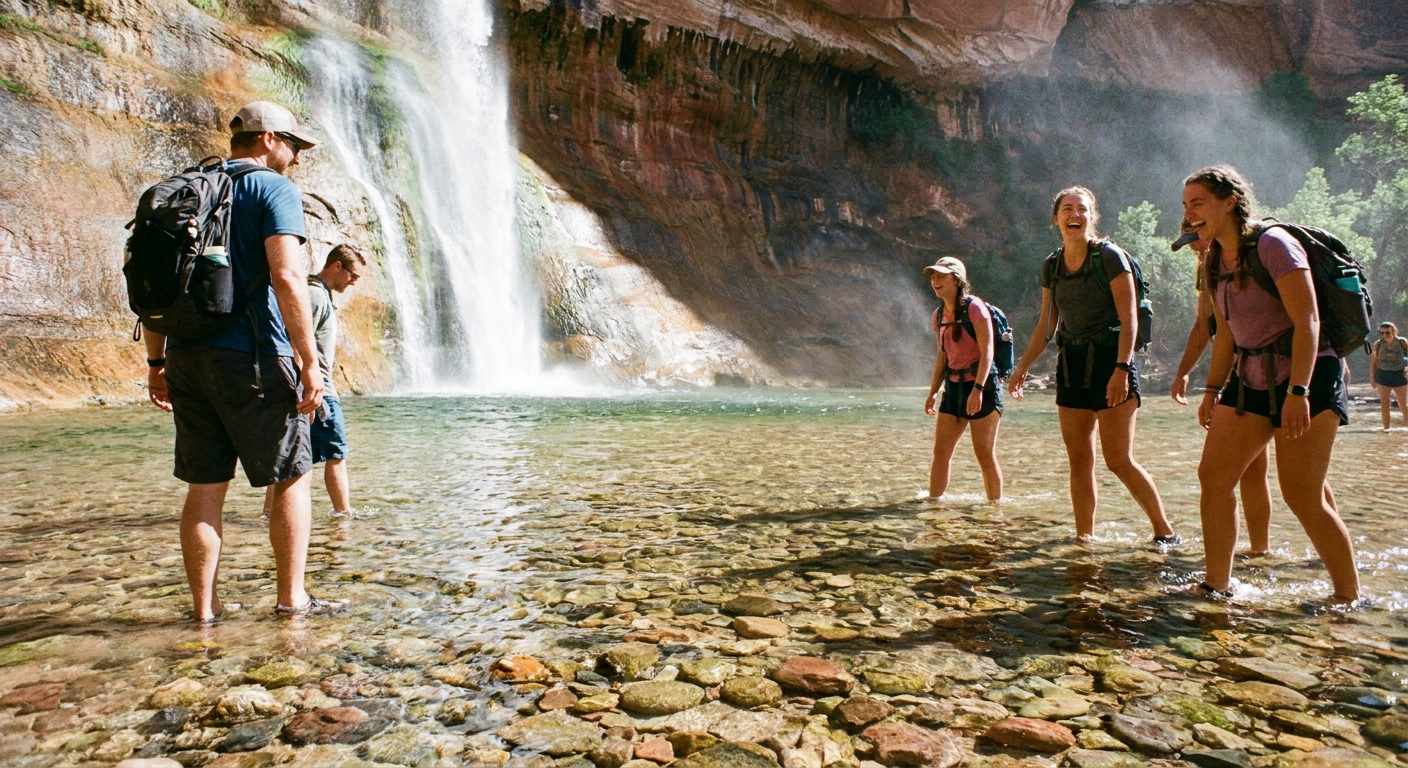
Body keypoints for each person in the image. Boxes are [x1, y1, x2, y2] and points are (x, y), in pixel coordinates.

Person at [144, 101, 345, 621]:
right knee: (291, 474)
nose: (297, 159)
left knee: (205, 486)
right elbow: (287, 277)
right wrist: (308, 361)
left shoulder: (186, 187)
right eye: (294, 146)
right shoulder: (272, 189)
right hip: (254, 356)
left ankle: (205, 611)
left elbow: (154, 280)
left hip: (186, 356)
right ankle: (291, 598)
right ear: (268, 139)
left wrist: (156, 362)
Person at [1185, 164, 1358, 602]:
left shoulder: (1274, 244)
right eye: (1186, 206)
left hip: (1308, 376)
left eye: (1198, 203)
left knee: (1302, 495)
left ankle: (1348, 597)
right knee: (1214, 479)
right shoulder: (1212, 261)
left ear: (1230, 202)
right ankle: (1217, 585)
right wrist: (1210, 390)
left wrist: (1298, 392)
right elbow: (1225, 333)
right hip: (1251, 382)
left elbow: (1308, 320)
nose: (1190, 214)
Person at [1009, 186, 1178, 543]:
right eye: (1067, 209)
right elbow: (1046, 325)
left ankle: (1165, 532)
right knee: (1079, 462)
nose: (1075, 215)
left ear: (1092, 216)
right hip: (1071, 365)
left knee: (1118, 460)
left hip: (1111, 363)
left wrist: (1121, 369)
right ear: (1056, 219)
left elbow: (1129, 317)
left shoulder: (1109, 258)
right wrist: (1022, 367)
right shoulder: (1052, 266)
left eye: (1082, 209)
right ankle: (1084, 538)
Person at [1170, 222, 1273, 556]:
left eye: (1196, 239)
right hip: (1246, 371)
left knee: (1299, 475)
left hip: (1281, 368)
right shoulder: (1209, 269)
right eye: (1190, 243)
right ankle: (1260, 551)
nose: (1195, 249)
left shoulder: (1250, 255)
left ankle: (1277, 549)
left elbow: (1214, 327)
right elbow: (1206, 327)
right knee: (1252, 468)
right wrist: (1185, 373)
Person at [264, 245, 365, 519]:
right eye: (353, 275)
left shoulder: (315, 293)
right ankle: (343, 514)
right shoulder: (315, 295)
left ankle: (269, 514)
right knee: (336, 453)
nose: (354, 282)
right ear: (337, 267)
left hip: (309, 387)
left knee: (288, 455)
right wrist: (303, 385)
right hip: (318, 390)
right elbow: (294, 337)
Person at [922, 257, 1003, 501]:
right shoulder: (938, 316)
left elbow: (988, 350)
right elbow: (942, 357)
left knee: (984, 453)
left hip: (982, 386)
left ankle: (995, 509)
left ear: (956, 280)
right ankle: (934, 503)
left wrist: (978, 388)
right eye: (933, 277)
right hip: (954, 389)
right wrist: (933, 392)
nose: (935, 281)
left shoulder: (975, 307)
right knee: (941, 451)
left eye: (941, 276)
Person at [1370, 321, 1408, 431]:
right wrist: (1372, 377)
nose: (1384, 335)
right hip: (1383, 374)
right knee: (1385, 403)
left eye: (1387, 333)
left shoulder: (1402, 342)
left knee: (1402, 403)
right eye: (1381, 333)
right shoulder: (1377, 344)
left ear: (1394, 332)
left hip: (1399, 374)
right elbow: (1373, 362)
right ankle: (1386, 429)